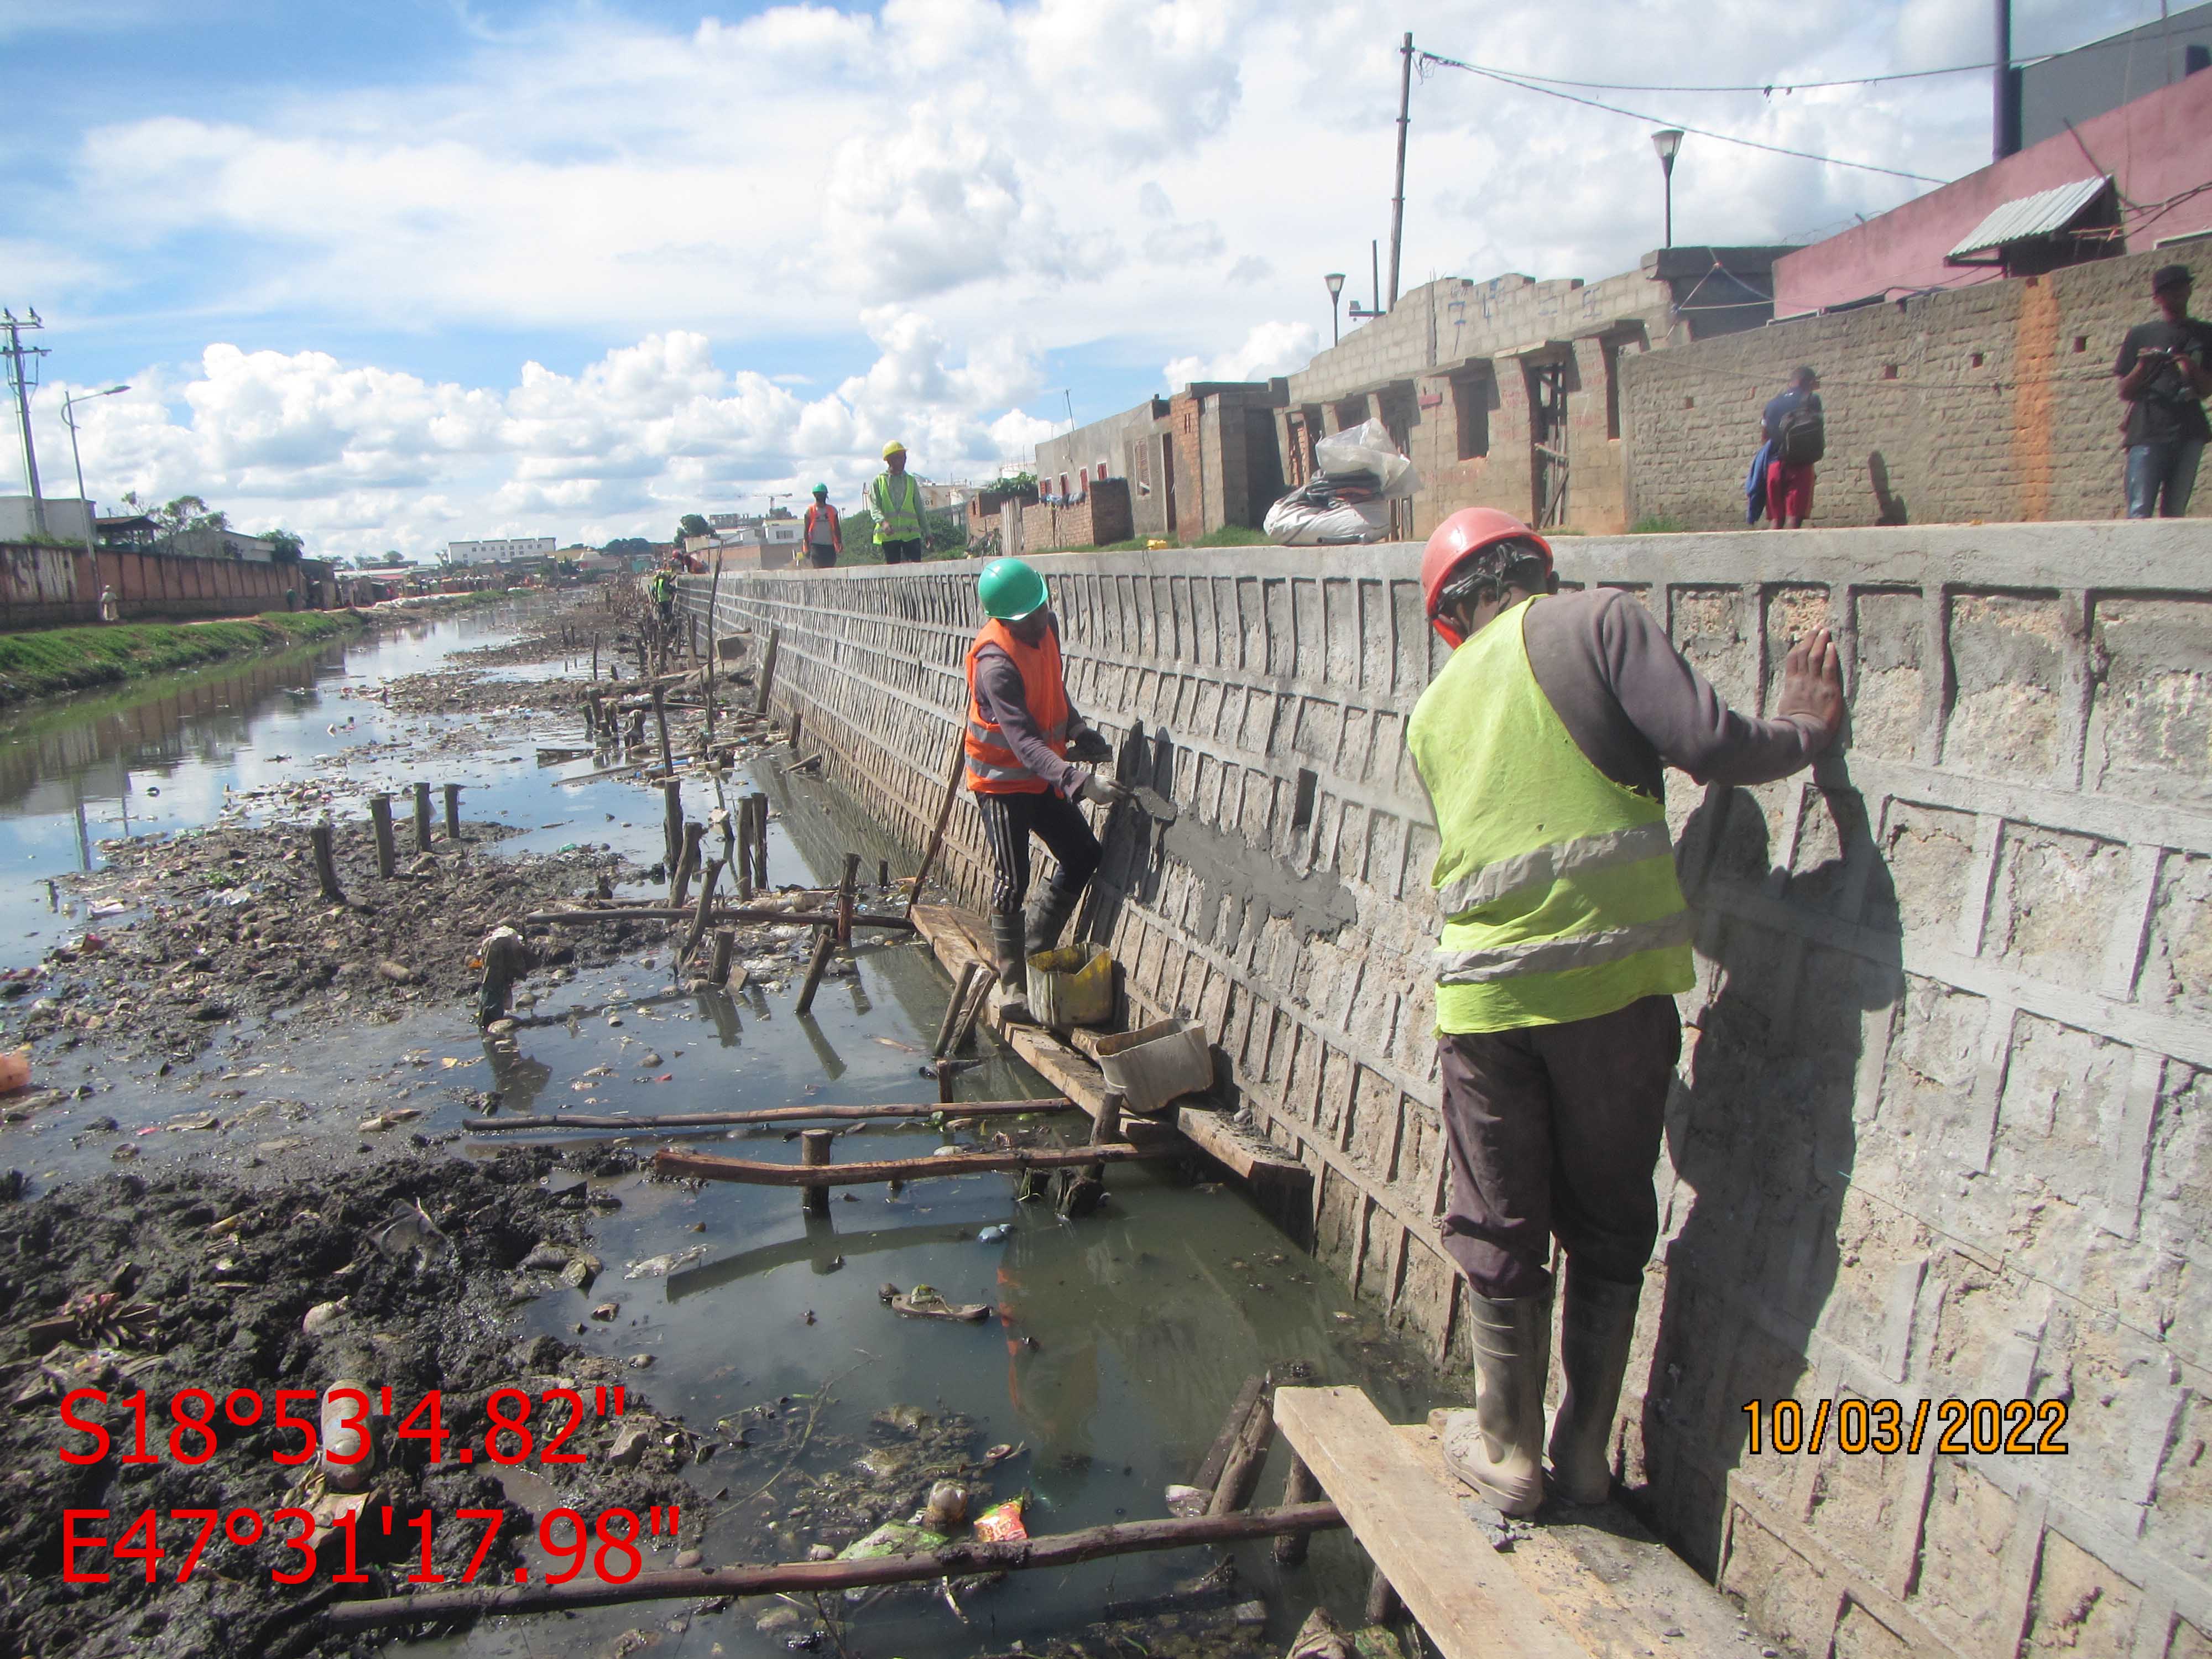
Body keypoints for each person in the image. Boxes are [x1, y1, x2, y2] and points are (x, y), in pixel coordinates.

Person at [1405, 508, 1844, 1516]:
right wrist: (1808, 731)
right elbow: (1708, 742)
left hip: (1481, 1002)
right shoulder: (1596, 622)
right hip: (1609, 998)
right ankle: (1586, 1457)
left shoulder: (1430, 713)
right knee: (1608, 1220)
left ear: (1450, 618)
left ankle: (1507, 1455)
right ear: (1536, 570)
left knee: (1499, 1219)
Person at [963, 557, 1121, 1014]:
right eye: (1029, 617)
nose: (1039, 620)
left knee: (1084, 854)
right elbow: (1024, 742)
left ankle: (1035, 948)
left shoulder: (1044, 625)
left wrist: (1075, 727)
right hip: (1000, 781)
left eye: (1041, 609)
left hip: (1041, 774)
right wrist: (1080, 782)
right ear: (1005, 618)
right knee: (1013, 880)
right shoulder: (995, 665)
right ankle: (1011, 982)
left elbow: (1052, 682)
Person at [2116, 263, 2212, 519]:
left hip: (2190, 428)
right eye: (2169, 290)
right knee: (2139, 509)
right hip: (2148, 427)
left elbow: (2206, 390)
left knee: (2175, 511)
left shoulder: (2206, 333)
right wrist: (2144, 365)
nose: (2177, 293)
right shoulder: (2141, 334)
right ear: (2157, 297)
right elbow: (2125, 391)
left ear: (2190, 290)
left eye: (2182, 287)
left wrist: (2188, 365)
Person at [1760, 367, 1823, 529]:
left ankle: (1771, 554)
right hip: (1800, 465)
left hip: (1774, 466)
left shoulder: (1772, 403)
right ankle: (1789, 555)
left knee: (1775, 519)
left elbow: (1765, 436)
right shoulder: (1812, 400)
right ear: (1808, 382)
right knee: (1793, 519)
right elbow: (1816, 429)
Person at [870, 441, 927, 564]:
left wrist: (928, 532)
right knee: (893, 572)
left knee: (916, 570)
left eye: (904, 457)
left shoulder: (911, 481)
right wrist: (883, 523)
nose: (903, 461)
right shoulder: (878, 482)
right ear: (889, 460)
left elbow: (919, 509)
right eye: (899, 458)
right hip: (890, 536)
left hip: (911, 533)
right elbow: (875, 507)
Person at [804, 483, 843, 568]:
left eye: (823, 495)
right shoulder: (810, 511)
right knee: (819, 569)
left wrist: (839, 542)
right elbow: (806, 530)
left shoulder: (832, 510)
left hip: (830, 546)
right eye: (819, 495)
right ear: (815, 496)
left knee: (830, 568)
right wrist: (807, 547)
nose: (821, 497)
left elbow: (837, 528)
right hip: (816, 546)